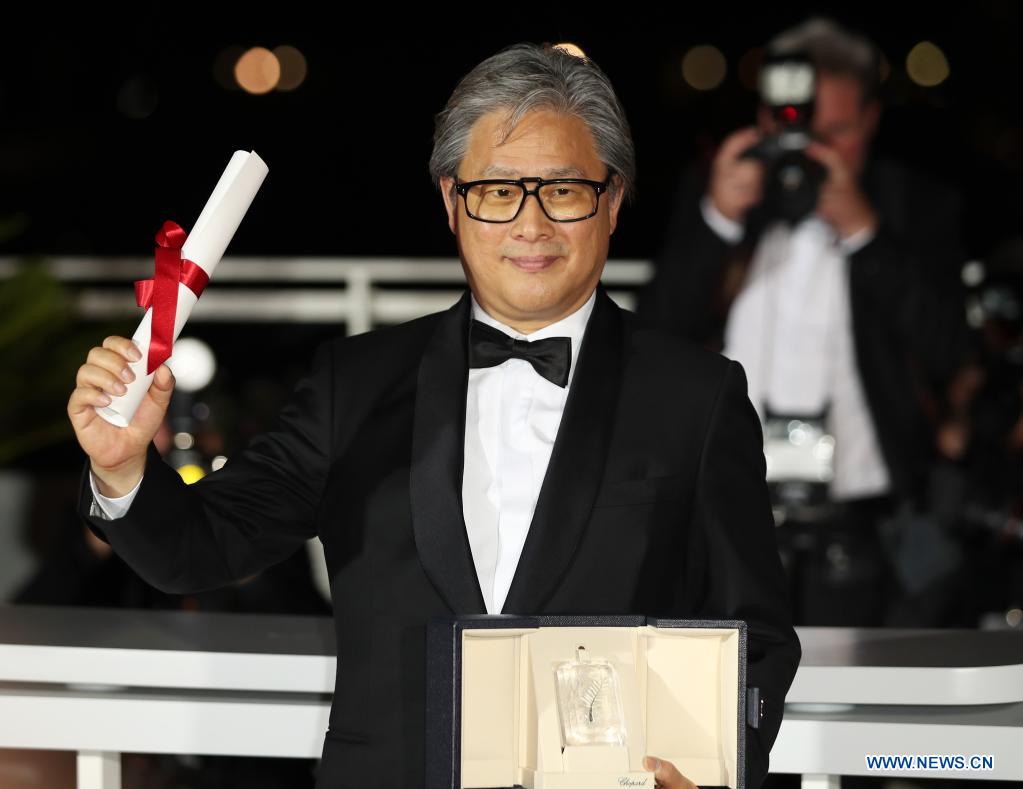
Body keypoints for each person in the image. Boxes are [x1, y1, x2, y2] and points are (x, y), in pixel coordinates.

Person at [68, 43, 800, 789]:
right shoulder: (354, 383)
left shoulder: (696, 395)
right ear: (451, 202)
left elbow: (757, 634)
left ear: (611, 201)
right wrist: (123, 468)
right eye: (496, 190)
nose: (531, 224)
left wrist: (714, 772)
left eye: (565, 190)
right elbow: (199, 550)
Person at [638, 18, 968, 625]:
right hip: (726, 519)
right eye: (794, 129)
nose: (812, 151)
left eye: (835, 132)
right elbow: (653, 340)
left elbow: (951, 349)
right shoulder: (725, 191)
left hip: (868, 527)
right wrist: (717, 221)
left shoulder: (912, 205)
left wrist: (865, 232)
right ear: (767, 119)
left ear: (870, 119)